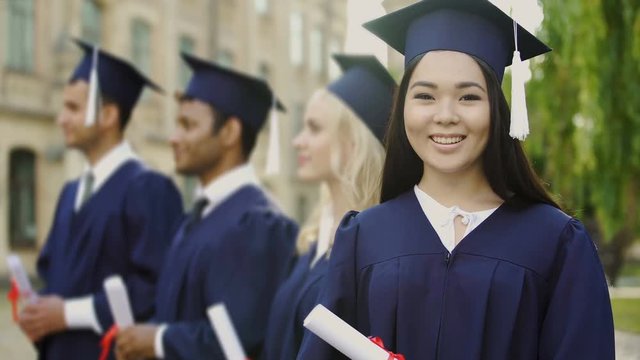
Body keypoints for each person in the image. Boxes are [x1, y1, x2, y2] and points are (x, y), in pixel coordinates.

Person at [297, 1, 615, 359]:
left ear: (496, 107)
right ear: (402, 107)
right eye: (425, 96)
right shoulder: (364, 237)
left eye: (468, 97)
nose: (445, 115)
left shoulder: (555, 243)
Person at [115, 53, 299, 360]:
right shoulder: (199, 215)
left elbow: (240, 340)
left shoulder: (259, 223)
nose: (173, 138)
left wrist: (158, 340)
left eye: (188, 125)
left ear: (229, 133)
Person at [17, 39, 184, 360]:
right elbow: (52, 273)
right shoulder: (70, 192)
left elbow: (156, 289)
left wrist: (68, 313)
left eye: (73, 108)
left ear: (108, 115)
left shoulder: (149, 189)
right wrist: (37, 311)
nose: (61, 119)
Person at [260, 54, 396, 360]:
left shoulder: (375, 253)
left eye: (314, 128)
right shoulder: (312, 242)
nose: (298, 141)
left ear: (353, 143)